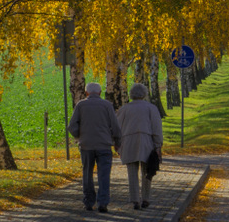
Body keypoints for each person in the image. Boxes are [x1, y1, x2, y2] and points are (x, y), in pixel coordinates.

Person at [67, 82, 121, 212]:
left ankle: (89, 202)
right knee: (104, 174)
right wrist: (117, 141)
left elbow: (72, 126)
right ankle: (103, 202)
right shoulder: (107, 105)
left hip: (86, 145)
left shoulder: (81, 105)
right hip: (104, 145)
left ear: (86, 93)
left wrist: (79, 135)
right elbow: (115, 126)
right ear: (100, 93)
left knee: (87, 174)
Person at [117, 82, 163, 210]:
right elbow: (156, 128)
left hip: (128, 142)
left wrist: (117, 144)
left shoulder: (124, 108)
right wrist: (158, 144)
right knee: (147, 171)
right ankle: (146, 198)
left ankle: (135, 200)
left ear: (131, 95)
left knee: (132, 172)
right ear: (144, 94)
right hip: (146, 141)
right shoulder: (151, 108)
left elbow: (117, 127)